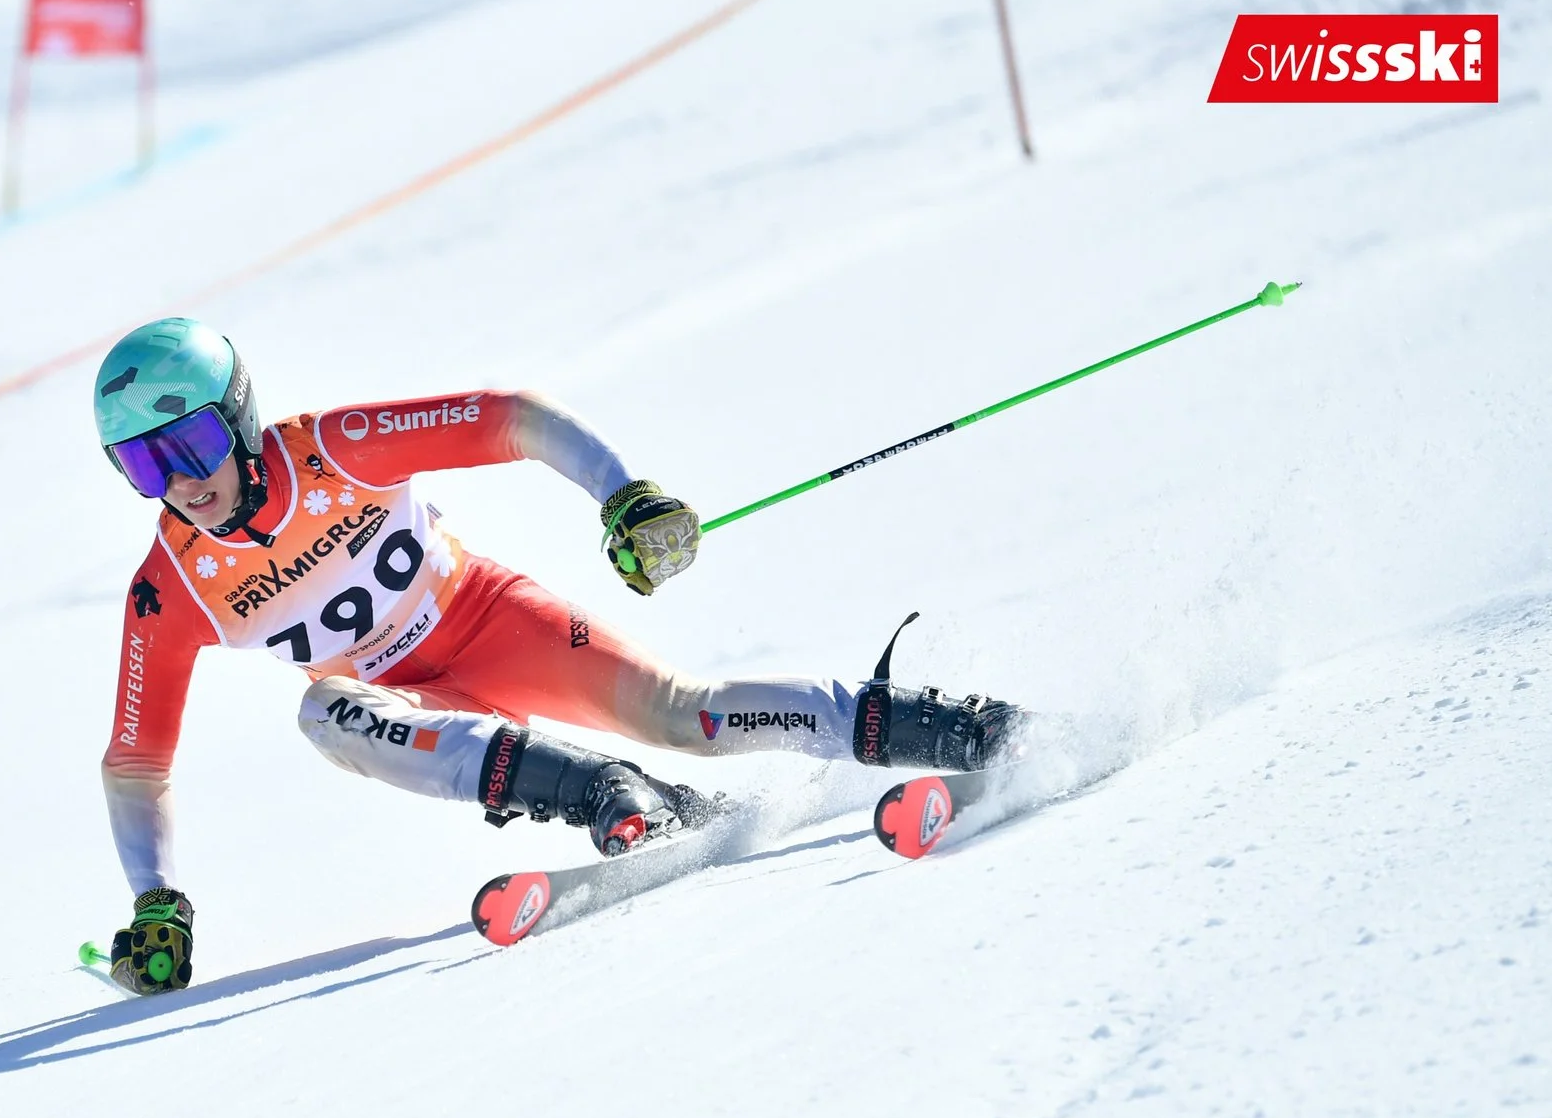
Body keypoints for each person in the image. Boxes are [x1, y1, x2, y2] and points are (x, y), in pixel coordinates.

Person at [94, 318, 1017, 994]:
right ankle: (607, 793)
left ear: (240, 418)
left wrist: (623, 496)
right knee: (325, 713)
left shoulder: (333, 450)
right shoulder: (172, 585)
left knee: (684, 714)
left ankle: (949, 729)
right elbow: (136, 760)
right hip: (416, 715)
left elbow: (512, 416)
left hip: (494, 621)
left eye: (190, 442)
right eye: (143, 466)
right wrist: (156, 903)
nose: (180, 482)